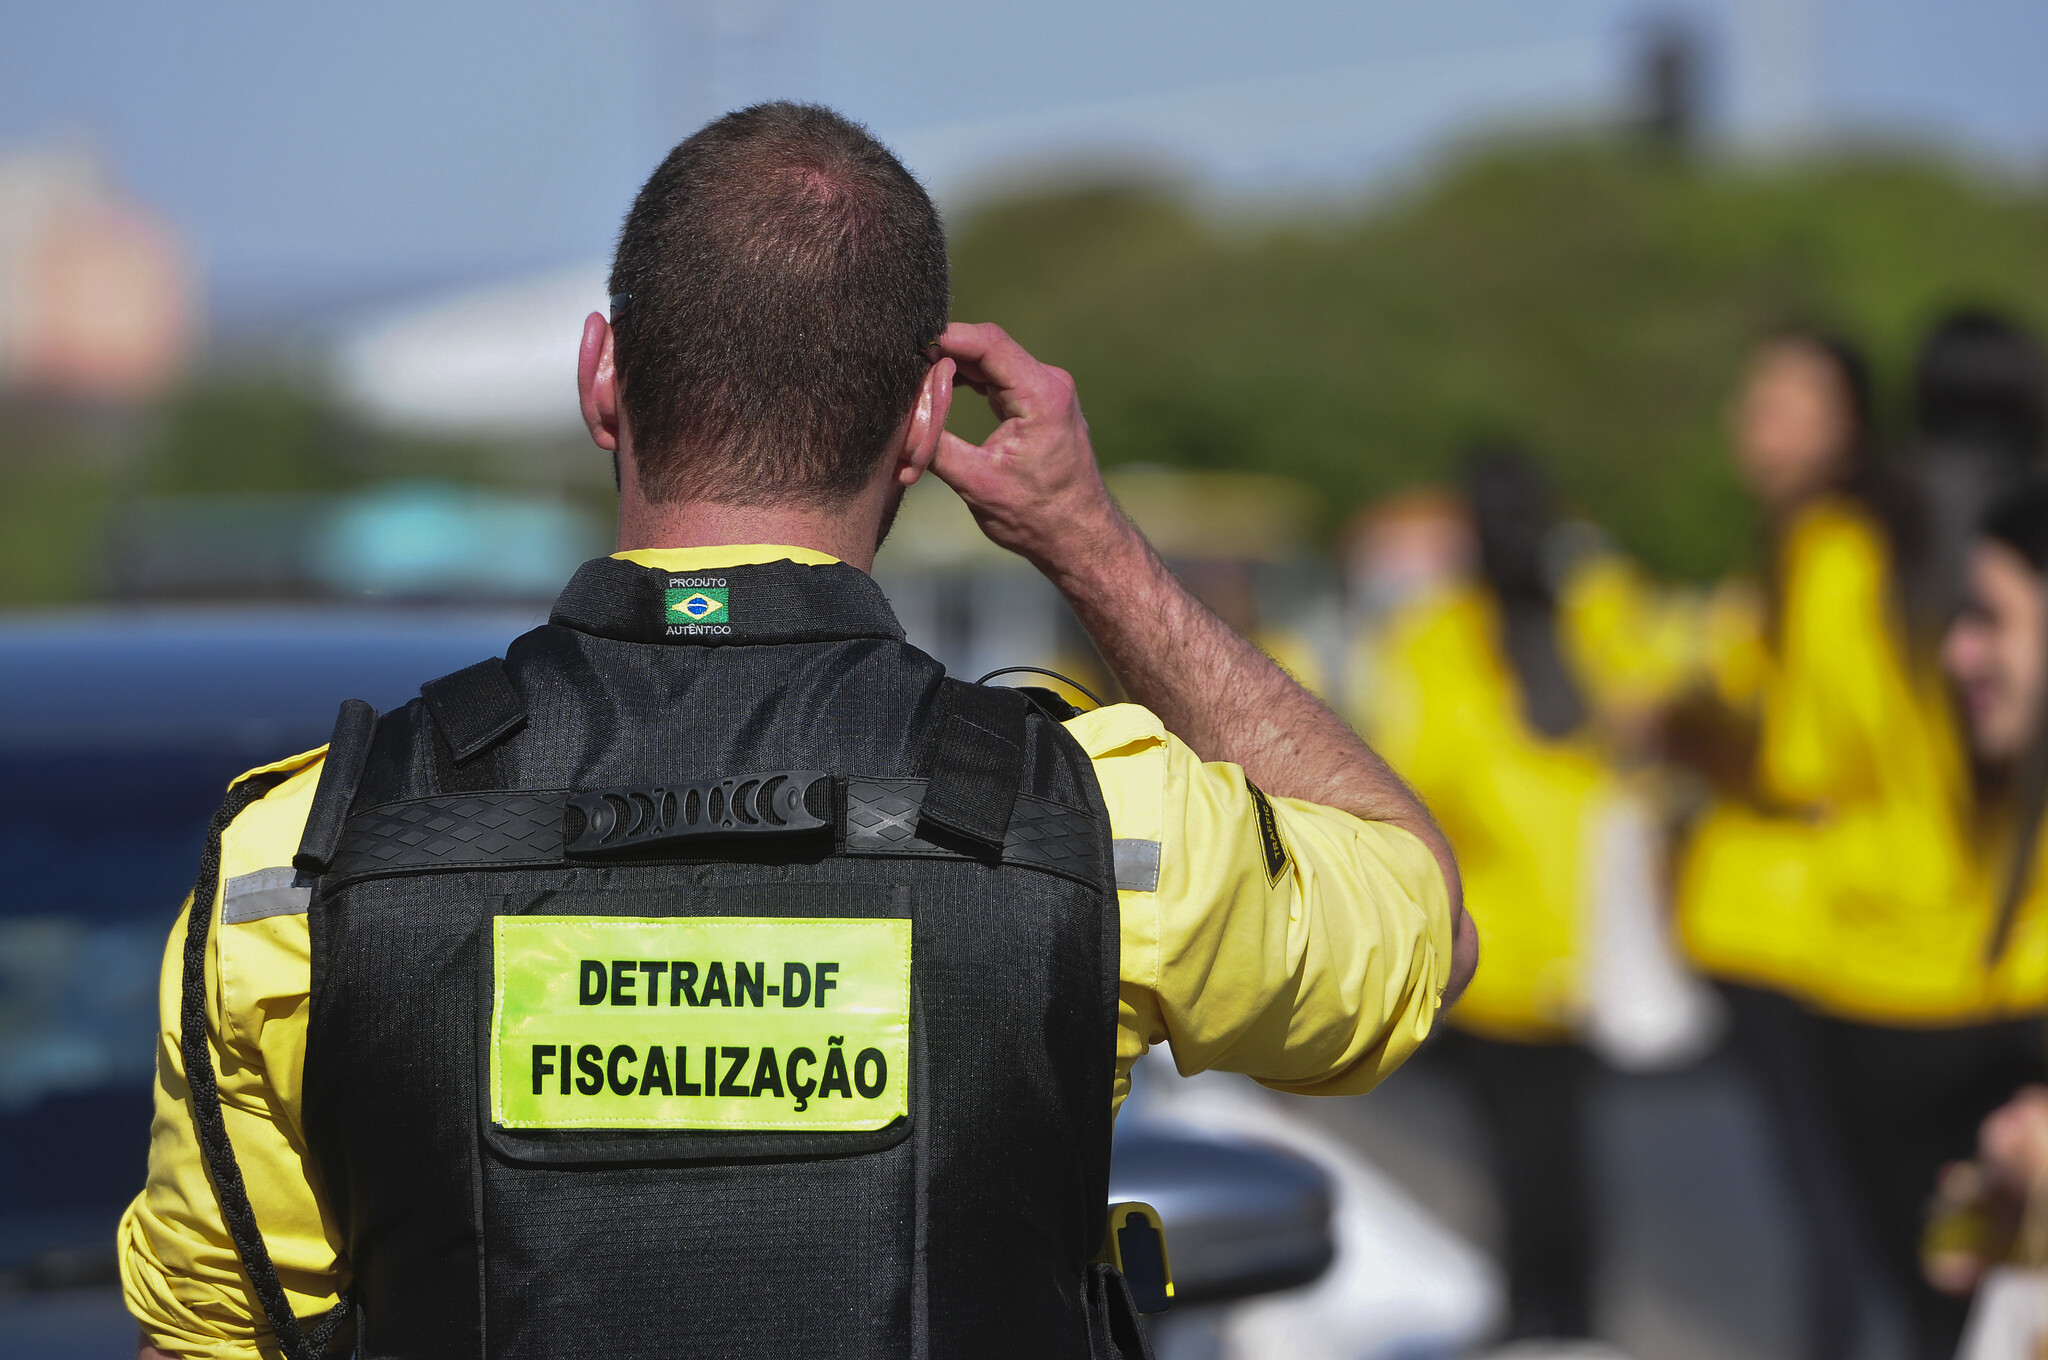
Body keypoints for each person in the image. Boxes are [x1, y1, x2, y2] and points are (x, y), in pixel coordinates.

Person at [118, 103, 1474, 1360]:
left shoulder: (296, 871)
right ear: (929, 416)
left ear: (602, 376)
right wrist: (1095, 548)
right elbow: (1419, 925)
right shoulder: (1098, 828)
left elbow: (210, 1334)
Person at [1360, 445, 1699, 1342]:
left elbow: (1662, 686)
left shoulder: (1579, 613)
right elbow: (1421, 765)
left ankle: (1553, 1313)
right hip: (1515, 942)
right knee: (1537, 1146)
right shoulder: (1458, 633)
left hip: (1556, 939)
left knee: (1548, 1146)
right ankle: (1546, 1309)